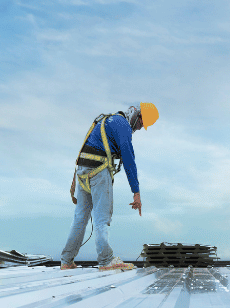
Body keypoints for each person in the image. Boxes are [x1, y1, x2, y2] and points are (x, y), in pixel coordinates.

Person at [60, 103, 158, 271]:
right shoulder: (123, 126)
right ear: (137, 116)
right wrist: (136, 193)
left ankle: (66, 260)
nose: (141, 128)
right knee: (102, 217)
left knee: (80, 218)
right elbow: (129, 160)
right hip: (98, 170)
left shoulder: (108, 120)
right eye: (142, 123)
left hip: (83, 171)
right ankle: (106, 260)